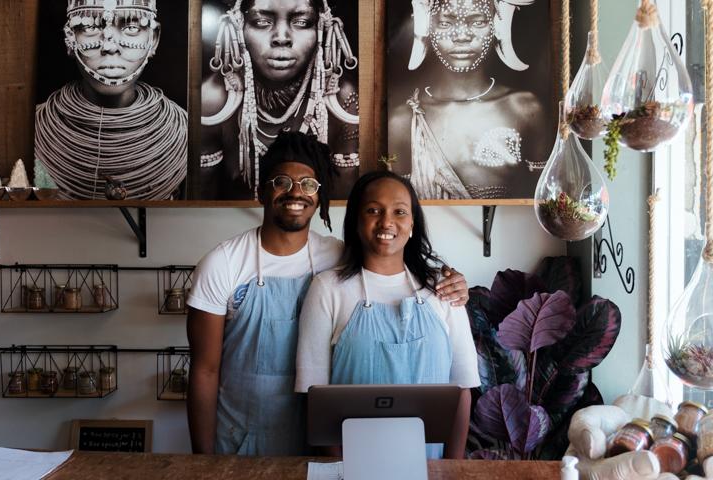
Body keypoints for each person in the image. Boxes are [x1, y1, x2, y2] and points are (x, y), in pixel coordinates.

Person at [186, 132, 469, 456]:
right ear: (263, 189)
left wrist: (452, 282)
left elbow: (388, 263)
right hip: (241, 438)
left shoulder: (337, 258)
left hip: (316, 439)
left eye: (308, 184)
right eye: (282, 181)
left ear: (319, 196)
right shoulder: (223, 263)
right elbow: (205, 370)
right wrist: (204, 461)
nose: (296, 192)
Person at [295, 170, 479, 459]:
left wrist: (452, 470)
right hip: (351, 464)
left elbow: (462, 388)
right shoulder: (327, 289)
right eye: (373, 210)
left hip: (430, 467)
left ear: (412, 223)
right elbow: (313, 395)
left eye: (399, 211)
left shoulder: (443, 288)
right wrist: (342, 468)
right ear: (356, 220)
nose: (386, 221)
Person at [388, 0, 548, 200]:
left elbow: (543, 203)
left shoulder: (524, 109)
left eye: (478, 22)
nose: (462, 36)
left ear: (497, 25)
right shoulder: (403, 122)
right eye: (446, 23)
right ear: (427, 26)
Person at [200, 0, 359, 200]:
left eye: (302, 22)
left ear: (322, 27)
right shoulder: (214, 100)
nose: (281, 38)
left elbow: (342, 208)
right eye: (261, 22)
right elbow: (201, 202)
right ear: (238, 25)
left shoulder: (341, 100)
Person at [34, 0, 188, 200]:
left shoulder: (183, 131)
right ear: (69, 38)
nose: (109, 47)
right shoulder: (36, 128)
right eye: (90, 26)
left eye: (132, 27)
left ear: (154, 39)